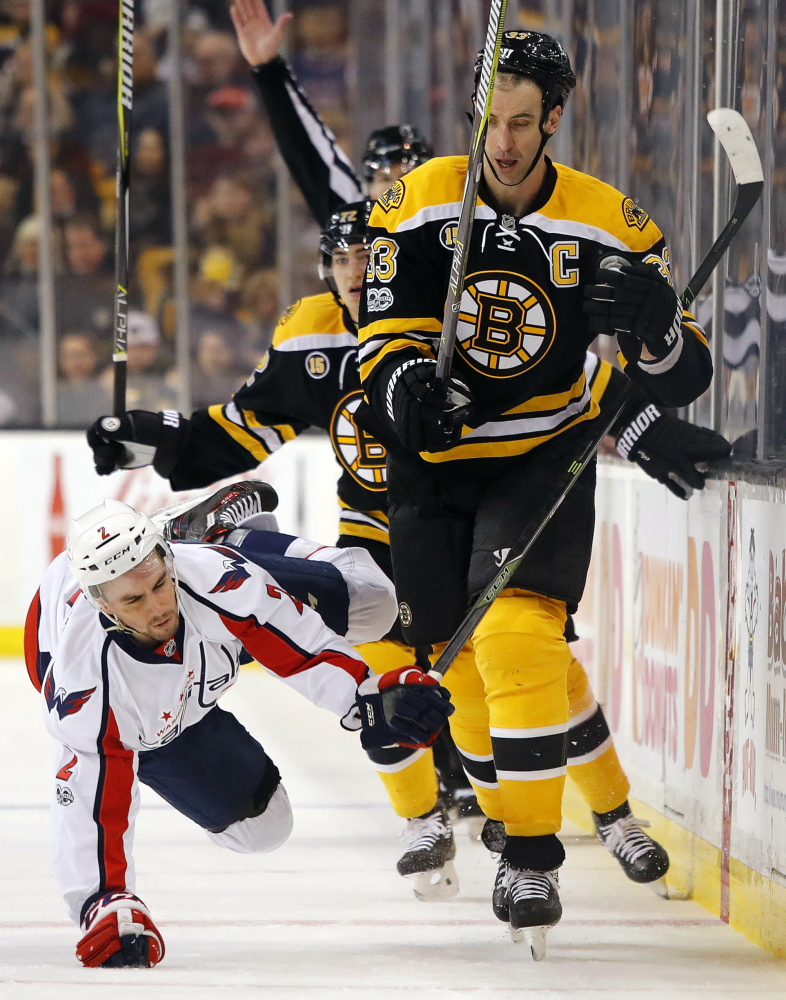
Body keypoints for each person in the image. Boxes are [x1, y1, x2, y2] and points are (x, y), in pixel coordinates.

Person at [84, 201, 727, 908]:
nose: (355, 272)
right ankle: (423, 819)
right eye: (341, 260)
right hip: (376, 533)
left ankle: (613, 813)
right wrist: (156, 437)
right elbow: (247, 424)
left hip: (468, 516)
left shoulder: (445, 311)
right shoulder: (313, 338)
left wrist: (645, 429)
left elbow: (567, 381)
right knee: (380, 663)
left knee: (523, 658)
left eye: (368, 257)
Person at [358, 31, 724, 955]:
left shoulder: (614, 223)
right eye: (495, 120)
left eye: (526, 123)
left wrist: (651, 332)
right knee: (465, 672)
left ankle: (532, 855)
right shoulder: (418, 199)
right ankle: (506, 806)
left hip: (541, 459)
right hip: (432, 469)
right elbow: (380, 342)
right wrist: (407, 390)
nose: (507, 143)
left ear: (554, 118)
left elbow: (683, 371)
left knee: (519, 635)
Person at [25, 483, 452, 968]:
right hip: (145, 715)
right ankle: (201, 544)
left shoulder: (213, 579)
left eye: (160, 583)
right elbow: (90, 801)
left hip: (211, 617)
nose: (157, 607)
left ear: (168, 560)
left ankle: (217, 535)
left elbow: (303, 647)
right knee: (262, 829)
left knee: (372, 600)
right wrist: (104, 901)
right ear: (105, 606)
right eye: (135, 600)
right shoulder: (86, 686)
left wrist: (367, 698)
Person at [229, 0, 433, 226]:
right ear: (368, 188)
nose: (396, 189)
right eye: (385, 178)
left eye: (407, 177)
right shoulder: (357, 222)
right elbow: (306, 150)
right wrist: (268, 70)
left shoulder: (455, 224)